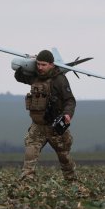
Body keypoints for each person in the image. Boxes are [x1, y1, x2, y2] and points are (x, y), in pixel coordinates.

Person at [14, 50, 76, 182]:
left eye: (43, 65)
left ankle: (72, 183)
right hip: (38, 127)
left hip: (55, 127)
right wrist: (25, 63)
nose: (40, 67)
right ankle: (26, 183)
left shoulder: (59, 79)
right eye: (38, 64)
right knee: (30, 155)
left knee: (64, 157)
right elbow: (19, 77)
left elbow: (70, 100)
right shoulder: (35, 76)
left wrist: (67, 115)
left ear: (51, 65)